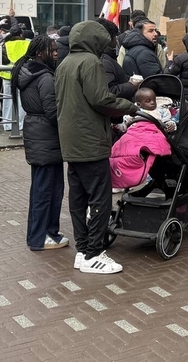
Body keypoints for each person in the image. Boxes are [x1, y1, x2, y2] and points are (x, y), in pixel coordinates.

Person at [55, 20, 140, 275]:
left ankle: (83, 251)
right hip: (91, 141)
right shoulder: (90, 62)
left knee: (78, 198)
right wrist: (132, 108)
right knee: (100, 197)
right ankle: (94, 252)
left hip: (71, 141)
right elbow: (101, 99)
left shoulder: (65, 63)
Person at [15, 35, 67, 252]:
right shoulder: (45, 77)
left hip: (37, 133)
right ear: (40, 53)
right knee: (47, 190)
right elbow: (53, 111)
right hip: (47, 136)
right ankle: (41, 237)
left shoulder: (27, 72)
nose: (56, 53)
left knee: (43, 188)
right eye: (52, 50)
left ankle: (45, 233)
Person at [92, 18, 139, 100]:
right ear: (108, 38)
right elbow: (108, 92)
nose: (117, 39)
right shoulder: (104, 61)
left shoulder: (105, 57)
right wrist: (131, 85)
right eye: (115, 36)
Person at [0, 26, 30, 137]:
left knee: (7, 99)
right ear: (21, 34)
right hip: (24, 74)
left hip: (8, 75)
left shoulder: (5, 44)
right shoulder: (28, 43)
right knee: (22, 100)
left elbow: (2, 60)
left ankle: (7, 124)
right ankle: (20, 124)